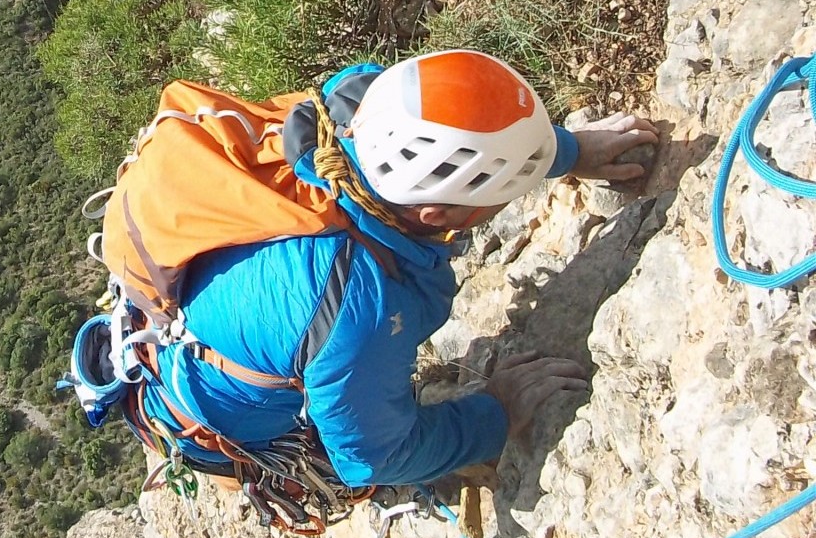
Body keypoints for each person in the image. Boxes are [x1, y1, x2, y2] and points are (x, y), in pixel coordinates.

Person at [142, 51, 658, 491]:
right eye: (502, 195)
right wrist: (493, 415)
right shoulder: (356, 307)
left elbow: (465, 127)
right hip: (209, 416)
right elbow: (371, 459)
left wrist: (564, 150)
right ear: (436, 219)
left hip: (201, 325)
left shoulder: (358, 111)